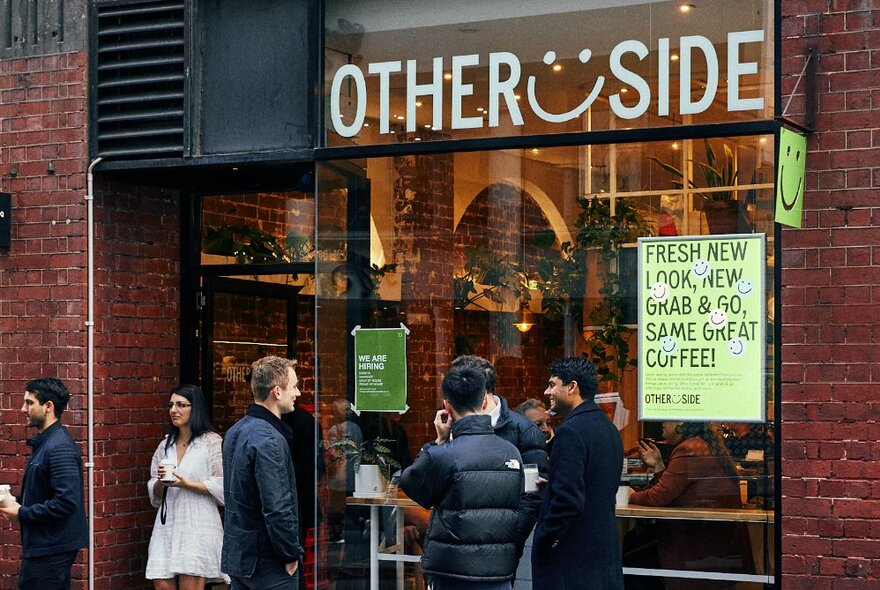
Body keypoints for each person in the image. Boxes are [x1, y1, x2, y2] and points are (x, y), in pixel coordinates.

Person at [399, 366, 523, 590]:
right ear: (484, 401)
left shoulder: (442, 454)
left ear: (447, 405)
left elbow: (411, 483)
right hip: (499, 570)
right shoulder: (512, 453)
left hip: (452, 571)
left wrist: (438, 441)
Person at [532, 357, 624, 590]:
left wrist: (545, 541)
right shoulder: (609, 428)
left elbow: (568, 500)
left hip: (571, 562)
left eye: (552, 384)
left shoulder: (569, 432)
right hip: (603, 557)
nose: (547, 391)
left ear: (572, 387)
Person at [627, 422, 754, 590]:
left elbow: (659, 497)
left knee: (631, 554)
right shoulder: (702, 445)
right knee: (634, 543)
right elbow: (672, 490)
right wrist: (658, 465)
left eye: (667, 418)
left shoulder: (688, 449)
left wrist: (629, 495)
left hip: (696, 545)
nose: (662, 423)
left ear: (681, 422)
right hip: (714, 541)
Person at [449, 355, 548, 558]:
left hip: (500, 546)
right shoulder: (452, 423)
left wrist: (506, 539)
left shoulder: (524, 430)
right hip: (456, 542)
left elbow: (531, 496)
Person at [222, 356, 304, 589]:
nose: (297, 393)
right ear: (277, 392)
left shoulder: (235, 431)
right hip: (267, 562)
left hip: (239, 557)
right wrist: (289, 553)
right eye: (294, 386)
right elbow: (277, 506)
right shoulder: (269, 440)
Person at [0, 377, 87, 590]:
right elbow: (47, 495)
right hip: (45, 546)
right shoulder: (48, 443)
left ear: (49, 406)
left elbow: (66, 503)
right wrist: (15, 503)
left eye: (29, 403)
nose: (23, 409)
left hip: (51, 548)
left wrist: (21, 513)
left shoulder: (59, 447)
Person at [146, 384, 228, 589]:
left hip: (197, 523)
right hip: (168, 524)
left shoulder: (211, 442)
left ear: (195, 408)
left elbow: (222, 486)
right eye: (171, 405)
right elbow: (153, 490)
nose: (174, 410)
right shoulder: (165, 445)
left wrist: (185, 484)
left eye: (181, 405)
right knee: (161, 584)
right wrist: (161, 483)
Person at [325, 398, 363, 542]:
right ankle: (359, 522)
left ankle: (337, 533)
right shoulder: (356, 428)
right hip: (353, 469)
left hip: (339, 471)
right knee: (350, 500)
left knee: (337, 504)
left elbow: (333, 451)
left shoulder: (335, 429)